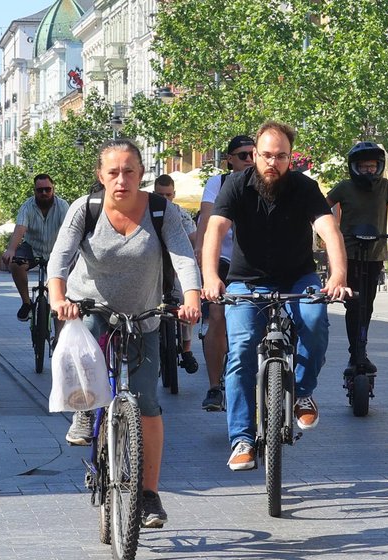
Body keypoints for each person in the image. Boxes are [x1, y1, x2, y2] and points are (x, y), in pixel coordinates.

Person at [48, 139, 201, 529]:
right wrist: (58, 299)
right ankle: (85, 410)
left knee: (147, 401)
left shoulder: (160, 210)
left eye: (129, 171)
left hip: (144, 315)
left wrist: (192, 299)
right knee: (88, 361)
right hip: (92, 308)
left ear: (141, 174)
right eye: (113, 172)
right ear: (101, 176)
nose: (121, 180)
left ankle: (148, 494)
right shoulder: (86, 209)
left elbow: (183, 257)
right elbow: (60, 258)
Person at [201, 120, 350, 471]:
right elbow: (215, 229)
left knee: (315, 322)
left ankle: (301, 390)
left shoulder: (304, 187)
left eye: (281, 156)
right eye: (266, 155)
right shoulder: (235, 186)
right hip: (245, 281)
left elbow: (329, 231)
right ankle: (241, 438)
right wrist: (210, 277)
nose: (273, 162)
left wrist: (339, 275)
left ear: (290, 157)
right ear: (254, 155)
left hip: (298, 277)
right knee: (239, 350)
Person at [326, 141, 388, 373]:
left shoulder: (384, 186)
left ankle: (361, 347)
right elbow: (323, 208)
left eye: (373, 166)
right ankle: (355, 351)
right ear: (354, 167)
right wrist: (330, 231)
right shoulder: (344, 187)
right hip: (349, 253)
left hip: (375, 253)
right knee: (353, 304)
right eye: (363, 166)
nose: (369, 171)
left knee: (368, 305)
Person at [195, 135, 255, 411]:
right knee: (217, 316)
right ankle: (215, 386)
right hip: (222, 257)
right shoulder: (216, 184)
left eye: (254, 154)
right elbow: (207, 222)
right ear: (229, 159)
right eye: (243, 155)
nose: (250, 160)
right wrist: (201, 259)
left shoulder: (265, 181)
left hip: (255, 262)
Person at [2, 174, 69, 321]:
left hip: (56, 250)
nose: (44, 193)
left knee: (69, 274)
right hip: (32, 248)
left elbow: (69, 231)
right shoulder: (27, 206)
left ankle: (60, 312)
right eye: (40, 190)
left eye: (47, 189)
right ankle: (26, 303)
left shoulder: (62, 206)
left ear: (53, 189)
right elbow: (20, 229)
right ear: (34, 191)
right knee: (15, 264)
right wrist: (11, 249)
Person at [153, 173, 200, 374]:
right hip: (153, 265)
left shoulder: (181, 214)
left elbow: (192, 238)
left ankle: (187, 349)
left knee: (185, 300)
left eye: (168, 194)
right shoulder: (146, 212)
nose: (164, 199)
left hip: (176, 264)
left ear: (174, 194)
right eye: (160, 195)